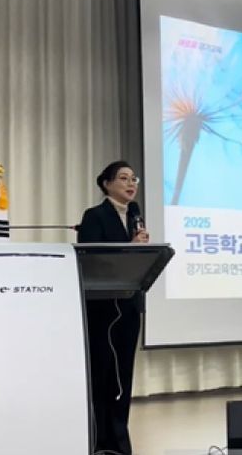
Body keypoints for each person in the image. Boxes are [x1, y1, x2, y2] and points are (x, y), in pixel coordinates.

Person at [77, 161, 149, 455]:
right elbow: (93, 260)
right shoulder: (95, 216)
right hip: (103, 311)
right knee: (103, 377)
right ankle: (100, 442)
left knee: (123, 378)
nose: (131, 184)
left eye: (133, 179)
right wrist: (131, 246)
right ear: (106, 184)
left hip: (128, 308)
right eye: (123, 178)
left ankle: (120, 442)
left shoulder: (134, 216)